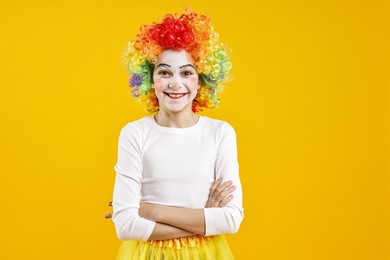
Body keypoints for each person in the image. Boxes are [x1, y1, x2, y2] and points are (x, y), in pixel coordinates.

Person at [109, 8, 244, 259]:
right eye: (164, 72)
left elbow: (231, 219)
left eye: (186, 72)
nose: (175, 83)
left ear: (201, 80)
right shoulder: (135, 134)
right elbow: (126, 225)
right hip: (148, 254)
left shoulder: (220, 133)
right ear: (149, 79)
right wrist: (204, 218)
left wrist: (151, 211)